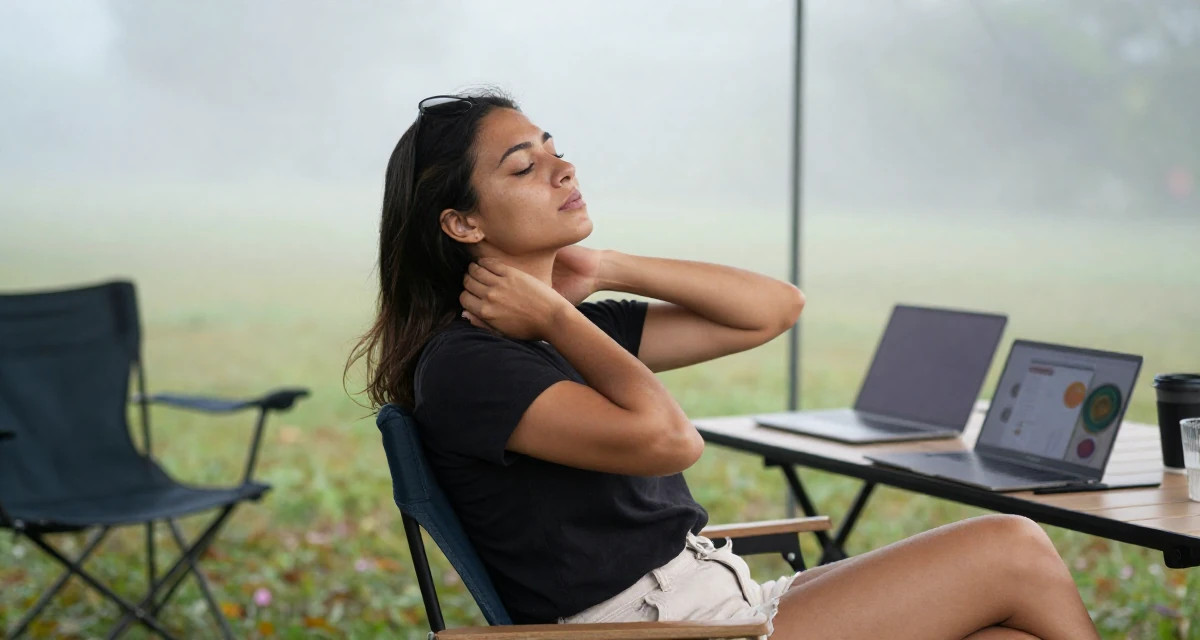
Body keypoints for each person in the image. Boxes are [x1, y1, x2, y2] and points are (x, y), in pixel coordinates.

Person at [348, 89, 1101, 640]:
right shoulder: (469, 365)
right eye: (524, 166)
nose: (562, 167)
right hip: (660, 629)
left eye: (554, 146)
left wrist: (608, 266)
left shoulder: (560, 330)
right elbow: (671, 441)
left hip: (709, 604)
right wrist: (553, 315)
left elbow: (773, 308)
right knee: (1013, 547)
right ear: (462, 223)